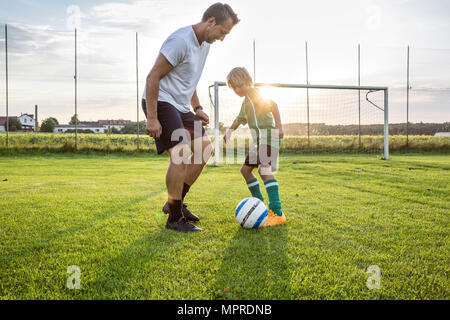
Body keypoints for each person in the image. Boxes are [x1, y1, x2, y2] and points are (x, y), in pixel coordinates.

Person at [143, 3, 239, 232]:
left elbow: (190, 79)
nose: (223, 38)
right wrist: (152, 118)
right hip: (161, 100)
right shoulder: (181, 41)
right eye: (223, 32)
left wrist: (197, 107)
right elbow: (153, 77)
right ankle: (174, 219)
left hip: (181, 105)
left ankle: (175, 203)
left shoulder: (205, 44)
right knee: (181, 153)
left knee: (206, 148)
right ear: (211, 22)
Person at [223, 67, 286, 227]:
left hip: (270, 136)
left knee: (264, 169)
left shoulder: (258, 95)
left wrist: (279, 126)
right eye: (234, 88)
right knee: (245, 170)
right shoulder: (245, 103)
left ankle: (277, 212)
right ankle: (259, 205)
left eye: (239, 85)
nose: (237, 90)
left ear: (248, 82)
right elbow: (239, 119)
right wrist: (229, 131)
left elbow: (274, 106)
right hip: (259, 141)